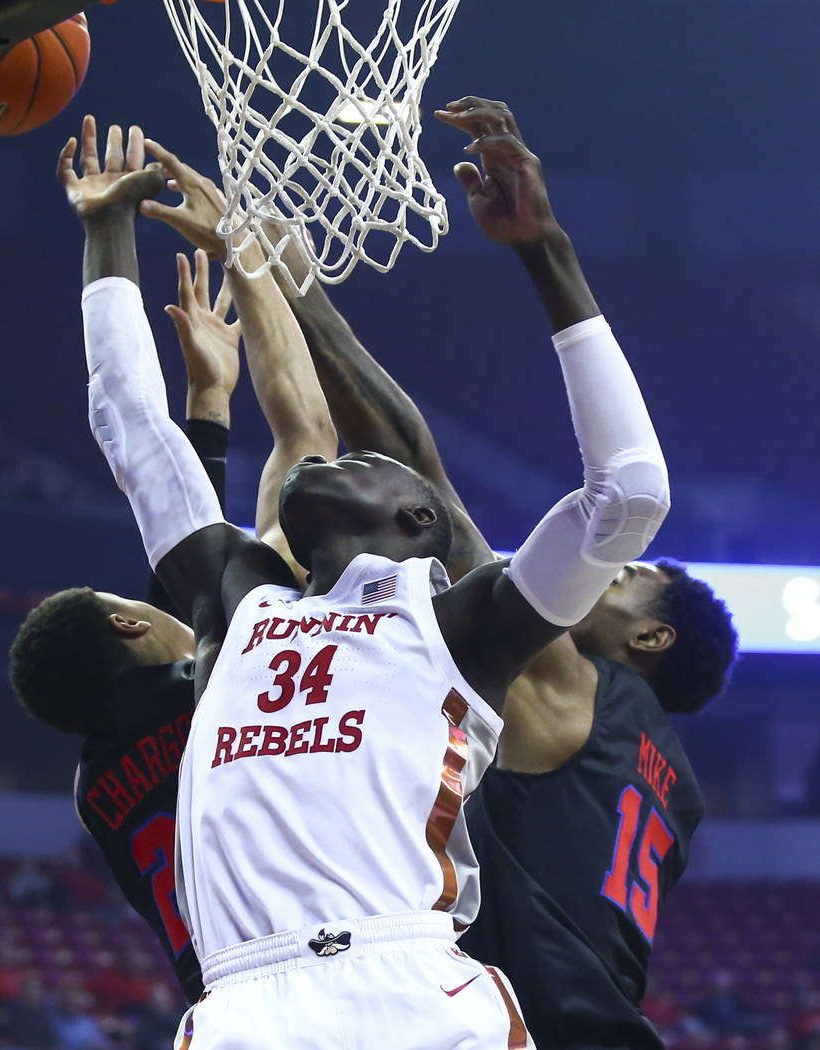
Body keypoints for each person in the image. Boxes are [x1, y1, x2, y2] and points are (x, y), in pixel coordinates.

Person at [64, 91, 670, 1049]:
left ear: (421, 517)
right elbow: (134, 432)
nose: (331, 455)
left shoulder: (469, 625)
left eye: (368, 461)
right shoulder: (239, 596)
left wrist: (544, 252)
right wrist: (107, 236)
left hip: (411, 987)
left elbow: (629, 496)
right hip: (242, 1002)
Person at [267, 96, 739, 1050]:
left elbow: (420, 478)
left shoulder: (576, 682)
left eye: (630, 578)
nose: (605, 576)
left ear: (653, 637)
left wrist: (294, 285)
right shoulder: (671, 783)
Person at [9, 119, 336, 1004]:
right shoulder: (225, 668)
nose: (155, 602)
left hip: (229, 999)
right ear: (126, 624)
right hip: (340, 966)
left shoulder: (101, 780)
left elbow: (189, 575)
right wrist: (234, 259)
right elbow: (146, 430)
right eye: (137, 603)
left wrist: (208, 404)